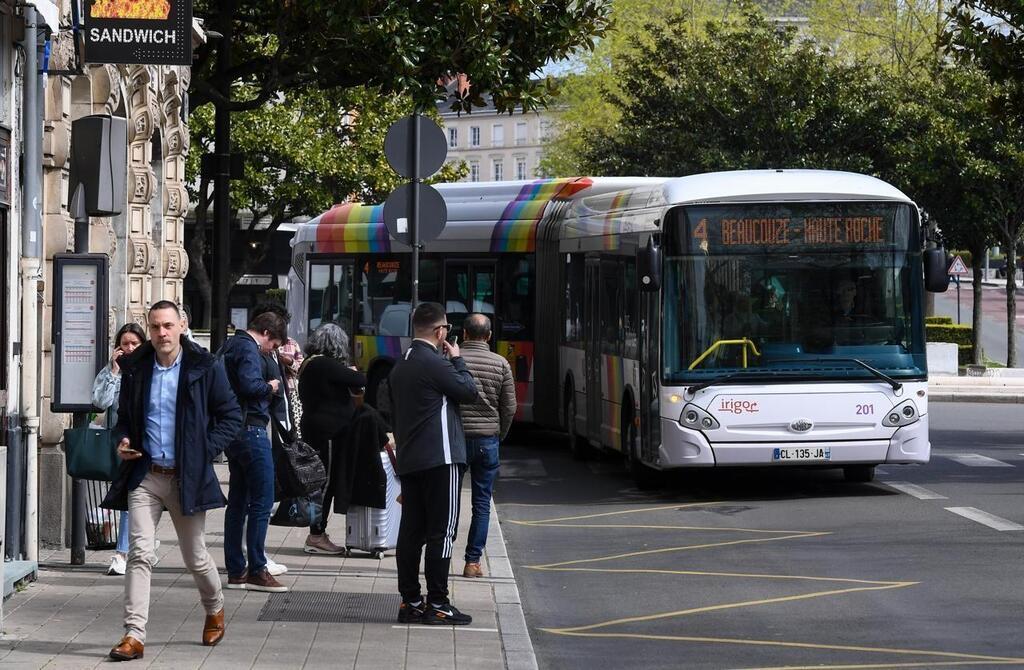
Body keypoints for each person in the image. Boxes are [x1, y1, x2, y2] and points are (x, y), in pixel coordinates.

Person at [103, 301, 241, 661]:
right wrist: (124, 441)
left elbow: (231, 417)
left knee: (195, 556)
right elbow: (124, 419)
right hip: (146, 475)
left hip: (186, 477)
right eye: (154, 327)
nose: (161, 333)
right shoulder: (136, 368)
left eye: (167, 325)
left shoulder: (204, 367)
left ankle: (214, 607)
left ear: (182, 325)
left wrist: (201, 449)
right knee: (140, 554)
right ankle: (134, 634)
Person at [389, 302, 478, 625]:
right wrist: (458, 359)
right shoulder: (434, 362)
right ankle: (438, 602)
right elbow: (470, 391)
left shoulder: (401, 364)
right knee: (443, 532)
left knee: (411, 532)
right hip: (442, 458)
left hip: (411, 459)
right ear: (441, 331)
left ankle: (411, 601)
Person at [220, 311, 289, 593]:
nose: (270, 351)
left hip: (233, 430)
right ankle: (258, 568)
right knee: (262, 500)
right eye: (273, 345)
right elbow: (250, 386)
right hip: (252, 429)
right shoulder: (248, 349)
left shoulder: (229, 345)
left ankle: (236, 569)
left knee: (238, 500)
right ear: (267, 334)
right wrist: (270, 386)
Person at [298, 322, 366, 554]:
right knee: (323, 484)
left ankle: (317, 532)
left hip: (316, 428)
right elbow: (359, 381)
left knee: (319, 483)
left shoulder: (311, 364)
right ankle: (317, 534)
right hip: (326, 432)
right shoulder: (324, 364)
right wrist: (354, 373)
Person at [457, 314, 516, 579]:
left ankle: (443, 552)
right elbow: (510, 407)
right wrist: (499, 433)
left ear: (465, 334)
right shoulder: (501, 363)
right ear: (489, 336)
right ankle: (472, 563)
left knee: (449, 501)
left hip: (455, 439)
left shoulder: (452, 361)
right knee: (481, 503)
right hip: (487, 440)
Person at [92, 322, 148, 576]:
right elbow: (100, 402)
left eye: (134, 344)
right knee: (129, 498)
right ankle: (140, 546)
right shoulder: (110, 372)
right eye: (125, 343)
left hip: (140, 443)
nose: (129, 348)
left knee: (131, 497)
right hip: (117, 440)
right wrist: (114, 372)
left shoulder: (149, 370)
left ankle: (122, 552)